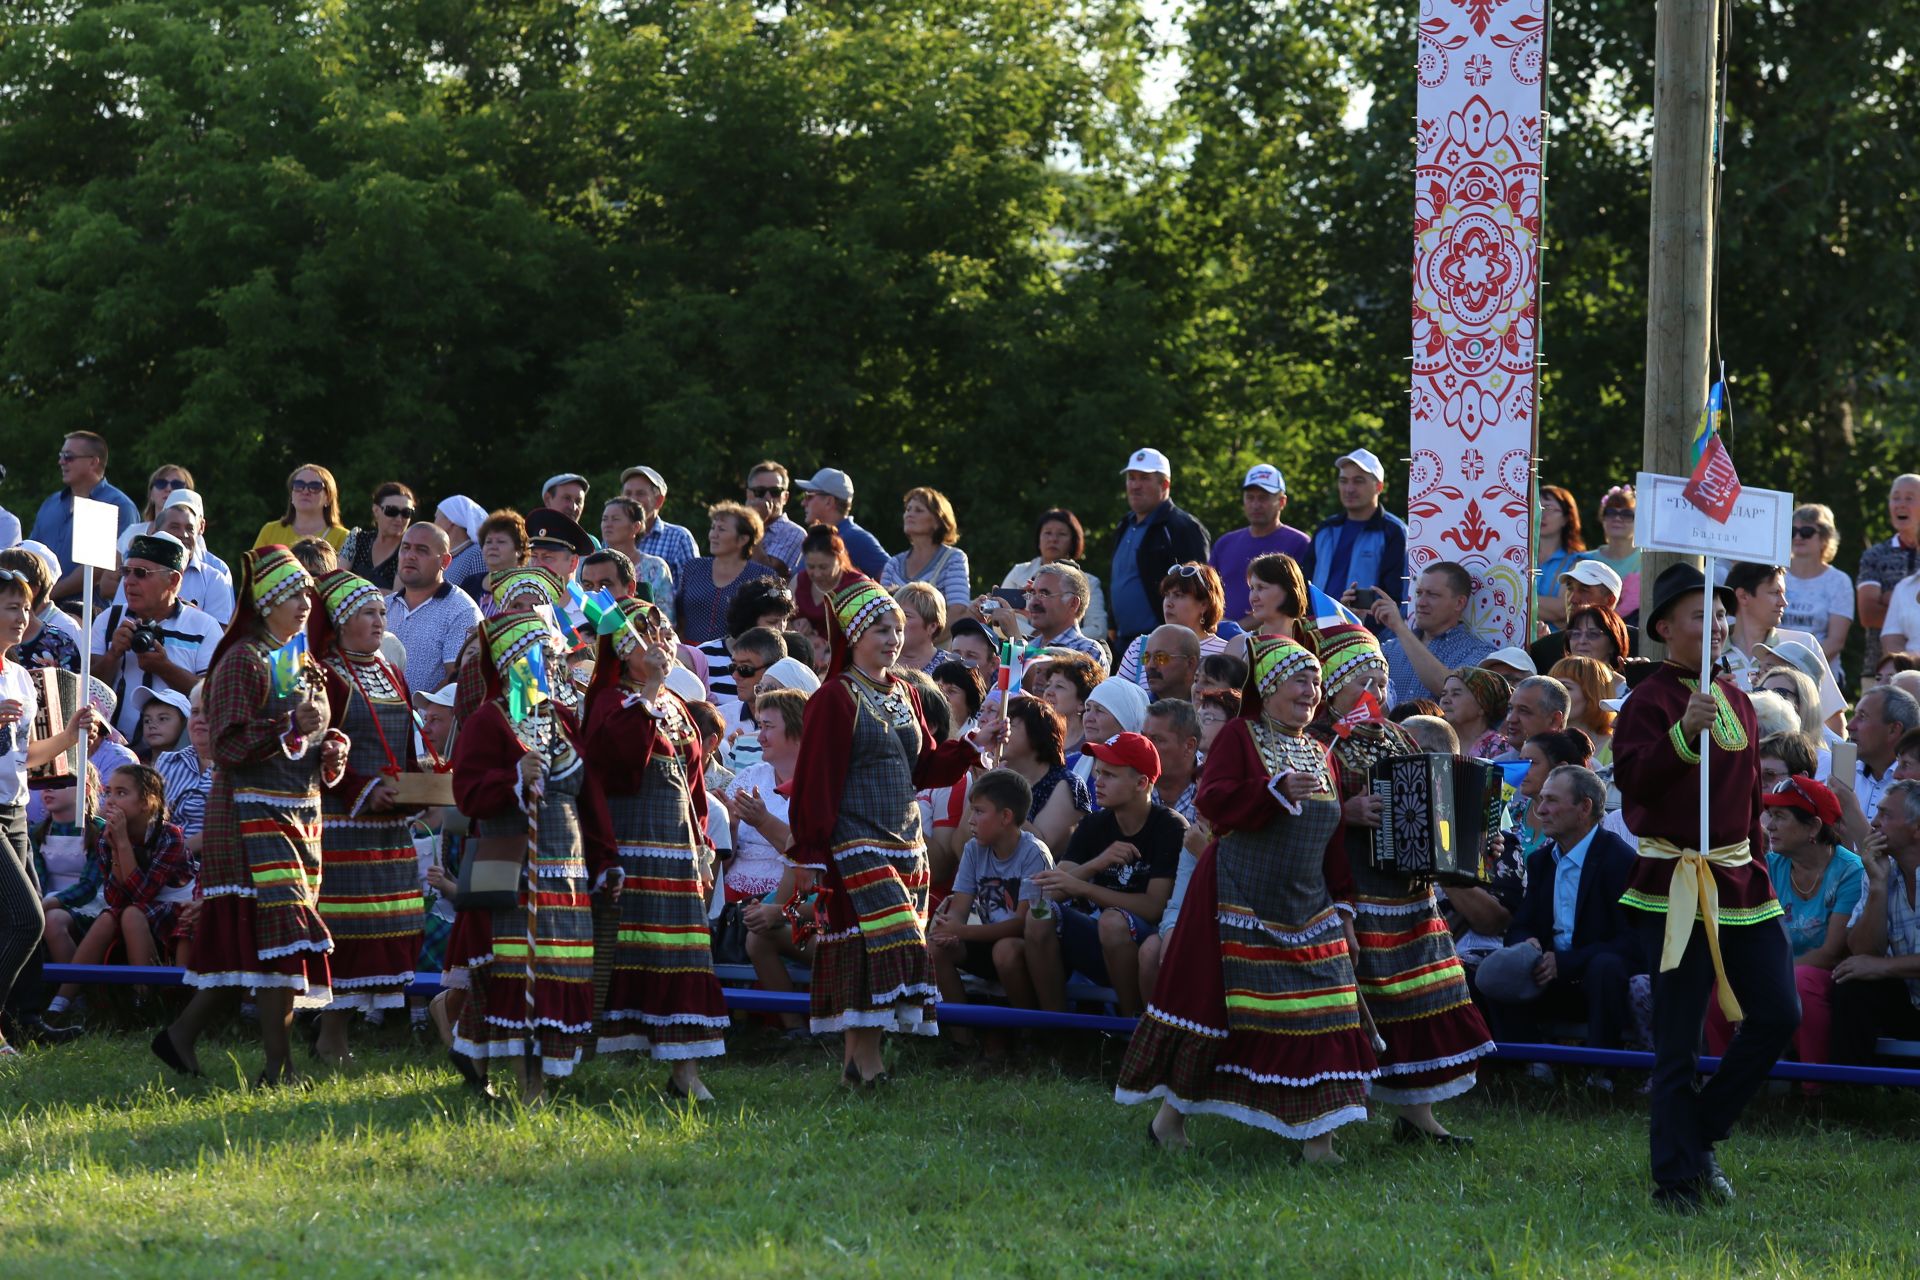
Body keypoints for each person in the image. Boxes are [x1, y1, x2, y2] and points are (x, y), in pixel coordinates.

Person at [1115, 638, 1379, 1160]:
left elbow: (1328, 839)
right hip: (1237, 896)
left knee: (1325, 1010)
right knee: (1219, 1013)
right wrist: (1271, 789)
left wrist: (1345, 908)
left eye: (1316, 682)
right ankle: (1169, 1123)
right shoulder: (1241, 735)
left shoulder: (1319, 748)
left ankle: (1317, 1140)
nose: (1312, 691)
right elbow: (1212, 800)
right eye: (1299, 680)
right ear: (1272, 686)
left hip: (1308, 905)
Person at [1613, 563, 1798, 1212]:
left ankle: (1698, 1131)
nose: (1715, 623)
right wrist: (1681, 732)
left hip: (1742, 880)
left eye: (1720, 614)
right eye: (1699, 615)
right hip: (1674, 886)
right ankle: (1677, 1180)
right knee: (1679, 1040)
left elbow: (1747, 796)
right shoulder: (1648, 702)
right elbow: (1635, 784)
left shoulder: (1737, 698)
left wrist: (1760, 861)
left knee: (1779, 1013)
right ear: (1664, 628)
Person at [783, 580, 1002, 1084]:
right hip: (854, 841)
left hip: (906, 843)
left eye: (899, 630)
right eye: (882, 629)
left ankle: (855, 1068)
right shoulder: (835, 697)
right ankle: (871, 1065)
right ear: (855, 632)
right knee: (893, 942)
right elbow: (815, 781)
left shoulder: (903, 691)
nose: (893, 639)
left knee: (871, 952)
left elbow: (923, 766)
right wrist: (812, 853)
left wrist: (973, 744)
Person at [153, 546, 346, 1085]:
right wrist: (287, 726)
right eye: (292, 594)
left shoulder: (305, 659)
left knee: (251, 948)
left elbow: (308, 739)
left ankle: (179, 1038)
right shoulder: (242, 659)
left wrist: (328, 750)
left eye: (308, 592)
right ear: (265, 602)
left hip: (299, 816)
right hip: (246, 818)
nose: (305, 602)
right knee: (275, 939)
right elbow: (228, 745)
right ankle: (277, 1067)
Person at [1308, 624, 1490, 1138]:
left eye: (1380, 677)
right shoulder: (1316, 743)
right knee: (1348, 1006)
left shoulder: (1399, 734)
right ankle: (1325, 1120)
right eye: (1362, 676)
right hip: (1348, 894)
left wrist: (1474, 840)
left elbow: (1440, 807)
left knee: (1418, 1002)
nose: (1375, 687)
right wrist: (1344, 811)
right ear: (1332, 683)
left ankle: (1418, 1115)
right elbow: (1292, 817)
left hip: (1410, 896)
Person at [445, 610, 619, 1103]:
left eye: (551, 653)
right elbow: (468, 795)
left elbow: (590, 797)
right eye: (539, 655)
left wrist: (606, 859)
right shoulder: (489, 720)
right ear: (513, 660)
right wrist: (513, 777)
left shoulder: (561, 718)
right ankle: (529, 1086)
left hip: (566, 869)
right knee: (521, 971)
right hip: (516, 863)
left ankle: (475, 1048)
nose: (550, 662)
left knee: (557, 969)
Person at [582, 596, 729, 1098]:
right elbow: (620, 769)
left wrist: (704, 847)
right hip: (632, 851)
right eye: (651, 635)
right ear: (625, 650)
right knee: (628, 958)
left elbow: (694, 784)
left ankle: (685, 1070)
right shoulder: (608, 701)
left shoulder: (678, 706)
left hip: (679, 853)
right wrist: (646, 691)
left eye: (666, 632)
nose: (665, 642)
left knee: (685, 956)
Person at [308, 569, 427, 1065]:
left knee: (387, 925)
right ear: (338, 621)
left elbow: (405, 744)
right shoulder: (326, 675)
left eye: (382, 612)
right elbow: (316, 749)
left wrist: (422, 785)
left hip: (389, 821)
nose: (379, 620)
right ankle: (329, 1036)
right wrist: (363, 789)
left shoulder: (389, 670)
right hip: (344, 820)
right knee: (348, 928)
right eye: (367, 613)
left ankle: (344, 1033)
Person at [1702, 776, 1861, 1087]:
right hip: (1774, 971)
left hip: (1825, 975)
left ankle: (1814, 1092)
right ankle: (1724, 1086)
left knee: (1800, 984)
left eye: (1780, 817)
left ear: (1814, 827)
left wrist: (1768, 978)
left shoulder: (1849, 870)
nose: (1769, 826)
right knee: (1719, 986)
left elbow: (1830, 953)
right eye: (1769, 816)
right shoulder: (1769, 865)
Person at [1478, 765, 1640, 1064]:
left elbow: (1633, 943)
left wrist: (1566, 962)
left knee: (1606, 967)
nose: (1540, 810)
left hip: (1597, 977)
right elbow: (1521, 924)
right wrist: (1529, 944)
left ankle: (1600, 1073)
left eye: (1551, 800)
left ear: (1585, 807)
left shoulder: (1620, 860)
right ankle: (1529, 1066)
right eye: (1541, 800)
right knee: (1496, 969)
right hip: (1550, 975)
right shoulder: (1542, 861)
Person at [1, 573, 100, 1054]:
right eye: (8, 607)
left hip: (15, 809)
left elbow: (27, 756)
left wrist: (71, 734)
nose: (20, 617)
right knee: (25, 920)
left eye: (23, 606)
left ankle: (22, 1023)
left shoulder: (19, 675)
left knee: (22, 924)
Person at [1016, 732, 1180, 1018]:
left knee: (1113, 921)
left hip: (1150, 946)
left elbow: (1154, 908)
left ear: (1142, 783)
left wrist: (1084, 888)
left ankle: (1130, 1028)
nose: (1098, 782)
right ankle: (1054, 1026)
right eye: (1098, 772)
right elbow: (1052, 889)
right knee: (1039, 915)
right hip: (1100, 937)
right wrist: (1095, 865)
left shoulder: (1170, 827)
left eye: (1110, 775)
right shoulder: (1094, 824)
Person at [41, 763, 195, 1021]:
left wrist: (122, 844)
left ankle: (145, 1001)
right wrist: (116, 848)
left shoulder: (169, 835)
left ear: (148, 802)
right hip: (136, 908)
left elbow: (142, 894)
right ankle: (64, 1002)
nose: (111, 800)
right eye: (109, 792)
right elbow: (115, 898)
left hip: (177, 909)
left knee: (132, 914)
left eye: (122, 793)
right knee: (109, 917)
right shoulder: (106, 836)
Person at [928, 769, 1055, 1045]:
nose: (970, 821)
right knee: (937, 946)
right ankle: (963, 1038)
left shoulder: (1034, 853)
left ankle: (1028, 1034)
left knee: (1005, 951)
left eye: (978, 812)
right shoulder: (974, 849)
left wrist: (961, 931)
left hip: (1029, 949)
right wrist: (949, 931)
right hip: (987, 940)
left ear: (1006, 817)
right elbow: (960, 907)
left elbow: (1022, 924)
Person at [89, 532, 224, 743]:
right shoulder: (109, 619)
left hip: (178, 757)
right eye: (126, 571)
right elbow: (86, 690)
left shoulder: (204, 627)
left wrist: (165, 668)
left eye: (141, 573)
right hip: (113, 750)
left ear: (173, 579)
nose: (129, 582)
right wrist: (113, 655)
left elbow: (214, 695)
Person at [1832, 779, 1920, 1062]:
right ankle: (1851, 1093)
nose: (1873, 822)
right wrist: (1878, 886)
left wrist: (1884, 967)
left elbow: (1875, 962)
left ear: (1917, 828)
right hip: (1908, 1002)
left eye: (1886, 815)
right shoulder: (1881, 867)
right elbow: (1862, 951)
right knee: (1854, 983)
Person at [1110, 448, 1212, 651]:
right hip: (1124, 643)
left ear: (1165, 484)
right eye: (1131, 478)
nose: (1135, 486)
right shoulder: (1125, 524)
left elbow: (1199, 589)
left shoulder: (1183, 527)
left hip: (1166, 644)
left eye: (1144, 478)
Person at [30, 431, 142, 602]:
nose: (61, 462)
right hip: (40, 612)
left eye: (68, 457)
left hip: (88, 615)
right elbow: (31, 553)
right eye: (61, 456)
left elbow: (99, 569)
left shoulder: (118, 505)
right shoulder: (51, 503)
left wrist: (47, 594)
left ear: (93, 462)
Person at [1305, 448, 1409, 624]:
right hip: (1316, 633)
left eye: (1358, 481)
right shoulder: (1325, 529)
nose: (1349, 489)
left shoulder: (1394, 532)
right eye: (1343, 481)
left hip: (1368, 640)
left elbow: (1399, 598)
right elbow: (1304, 585)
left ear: (1379, 486)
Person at [1371, 562, 1493, 705]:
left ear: (1459, 603)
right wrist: (1353, 621)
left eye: (1432, 595)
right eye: (1419, 593)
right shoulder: (1391, 648)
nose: (1421, 602)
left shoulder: (1479, 653)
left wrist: (1400, 628)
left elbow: (1450, 690)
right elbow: (1356, 682)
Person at [386, 522, 484, 695]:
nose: (410, 556)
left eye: (422, 550)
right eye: (405, 548)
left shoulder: (462, 611)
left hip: (426, 719)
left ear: (445, 562)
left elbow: (457, 677)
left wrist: (414, 711)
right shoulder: (383, 606)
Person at [1210, 465, 1312, 626]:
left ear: (1282, 501)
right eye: (1250, 497)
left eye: (1263, 498)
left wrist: (1236, 629)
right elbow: (1208, 595)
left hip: (1274, 643)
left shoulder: (1300, 544)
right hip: (1222, 643)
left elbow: (1301, 601)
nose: (1256, 504)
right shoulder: (1225, 543)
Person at [674, 502, 777, 646]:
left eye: (721, 530)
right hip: (691, 655)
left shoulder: (762, 576)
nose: (713, 535)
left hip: (738, 657)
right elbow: (679, 616)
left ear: (743, 539)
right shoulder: (693, 567)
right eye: (712, 528)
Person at [999, 509, 1109, 641]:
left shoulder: (1089, 582)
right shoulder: (1018, 572)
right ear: (1038, 539)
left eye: (1061, 534)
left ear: (1073, 542)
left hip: (1071, 656)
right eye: (1047, 533)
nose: (1053, 539)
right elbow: (999, 619)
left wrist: (1056, 639)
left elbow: (1099, 630)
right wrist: (1035, 635)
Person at [1000, 694, 1090, 854]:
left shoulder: (1066, 784)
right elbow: (960, 845)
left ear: (1037, 735)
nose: (1001, 731)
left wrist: (1000, 793)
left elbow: (1040, 850)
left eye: (1010, 724)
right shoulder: (998, 775)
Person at [1117, 564, 1233, 685]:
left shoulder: (1226, 652)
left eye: (1178, 595)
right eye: (1167, 595)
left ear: (1204, 605)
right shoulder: (1139, 646)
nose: (1168, 603)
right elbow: (1117, 698)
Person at [1780, 504, 1853, 684]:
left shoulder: (1839, 581)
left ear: (1824, 539)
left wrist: (1797, 667)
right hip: (1773, 670)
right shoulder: (1775, 574)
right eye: (1792, 531)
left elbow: (1836, 641)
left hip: (1821, 677)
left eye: (1806, 531)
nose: (1797, 537)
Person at [1856, 474, 1920, 677]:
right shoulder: (1875, 555)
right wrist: (1902, 599)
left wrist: (1887, 598)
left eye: (1909, 498)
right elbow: (1868, 615)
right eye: (1896, 497)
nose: (1901, 504)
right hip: (1882, 671)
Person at [147, 491, 236, 624]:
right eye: (174, 526)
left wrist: (190, 616)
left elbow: (220, 634)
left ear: (200, 527)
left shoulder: (216, 576)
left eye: (190, 528)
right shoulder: (138, 569)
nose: (183, 534)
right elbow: (123, 614)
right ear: (157, 529)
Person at [881, 487, 972, 610]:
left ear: (938, 521)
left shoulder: (953, 559)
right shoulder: (893, 565)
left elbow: (957, 611)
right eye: (908, 509)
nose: (909, 514)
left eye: (919, 510)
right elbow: (882, 610)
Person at [1006, 561, 1106, 666]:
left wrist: (1016, 639)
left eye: (1044, 594)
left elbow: (1040, 680)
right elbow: (996, 682)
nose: (1033, 602)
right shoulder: (1030, 646)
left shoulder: (1088, 650)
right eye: (1033, 593)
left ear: (1073, 603)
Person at [1843, 686, 1920, 823]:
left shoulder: (1912, 781)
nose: (1850, 726)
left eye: (1862, 717)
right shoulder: (1842, 775)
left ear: (1893, 730)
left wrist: (1850, 809)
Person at [793, 468, 888, 579]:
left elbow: (893, 580)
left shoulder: (857, 538)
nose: (803, 502)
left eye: (809, 496)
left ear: (829, 501)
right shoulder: (818, 537)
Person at [0, 546, 82, 672]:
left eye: (25, 609)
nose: (22, 618)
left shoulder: (62, 638)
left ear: (33, 590)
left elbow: (77, 688)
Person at [156, 681, 214, 854]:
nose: (200, 720)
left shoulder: (240, 768)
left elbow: (228, 828)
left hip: (209, 866)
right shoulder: (168, 761)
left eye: (209, 712)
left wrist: (174, 855)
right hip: (161, 864)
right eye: (195, 712)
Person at [622, 466, 702, 580]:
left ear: (659, 500)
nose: (632, 499)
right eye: (628, 493)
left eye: (640, 493)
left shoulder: (679, 538)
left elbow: (694, 588)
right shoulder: (612, 537)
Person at [790, 524, 867, 640]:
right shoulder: (798, 581)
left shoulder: (859, 586)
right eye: (811, 567)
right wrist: (794, 625)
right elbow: (780, 619)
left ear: (840, 561)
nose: (817, 574)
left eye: (823, 567)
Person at [253, 463, 350, 553]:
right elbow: (253, 569)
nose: (305, 491)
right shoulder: (270, 531)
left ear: (328, 498)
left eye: (315, 486)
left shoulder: (344, 538)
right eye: (299, 485)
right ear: (292, 494)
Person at [339, 482, 415, 591]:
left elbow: (396, 597)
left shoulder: (410, 550)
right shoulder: (357, 538)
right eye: (391, 511)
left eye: (406, 512)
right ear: (376, 510)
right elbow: (337, 580)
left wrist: (354, 586)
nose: (399, 518)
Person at [598, 498, 675, 606]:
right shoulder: (589, 565)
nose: (607, 524)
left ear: (636, 527)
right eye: (604, 519)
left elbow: (666, 616)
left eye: (615, 519)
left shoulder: (656, 567)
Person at [1534, 484, 1590, 628]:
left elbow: (1563, 608)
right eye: (1537, 507)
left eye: (1549, 508)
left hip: (1556, 646)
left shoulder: (1579, 562)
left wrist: (1516, 600)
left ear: (1566, 518)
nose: (1542, 513)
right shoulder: (1517, 557)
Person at [114, 463, 196, 560]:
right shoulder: (132, 531)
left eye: (177, 485)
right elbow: (110, 575)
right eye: (161, 483)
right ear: (151, 494)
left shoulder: (194, 538)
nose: (168, 488)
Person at [1551, 656, 1618, 775]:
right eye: (1552, 687)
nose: (1554, 694)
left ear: (1593, 694)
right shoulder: (1542, 743)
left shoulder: (1615, 747)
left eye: (1566, 687)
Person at [1585, 485, 1642, 620]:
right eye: (1610, 512)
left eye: (1626, 514)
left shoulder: (1650, 561)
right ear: (1602, 518)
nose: (1617, 518)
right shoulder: (1584, 561)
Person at [1236, 553, 1312, 649]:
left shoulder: (1314, 644)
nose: (1253, 597)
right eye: (1252, 588)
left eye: (1261, 587)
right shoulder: (1238, 645)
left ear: (1288, 590)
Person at [741, 461, 805, 575]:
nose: (767, 497)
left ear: (785, 497)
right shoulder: (736, 526)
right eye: (759, 492)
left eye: (775, 492)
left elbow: (768, 574)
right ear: (748, 494)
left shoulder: (794, 533)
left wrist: (755, 524)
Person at [1439, 666, 1510, 760]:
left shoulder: (1500, 748)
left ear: (1482, 705)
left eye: (1455, 694)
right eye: (1443, 694)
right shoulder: (1437, 743)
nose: (1445, 700)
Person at [464, 509, 529, 607]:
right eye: (488, 542)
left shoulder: (529, 588)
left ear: (519, 550)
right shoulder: (470, 584)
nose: (492, 547)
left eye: (501, 541)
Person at [892, 582, 956, 675]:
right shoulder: (877, 660)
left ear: (932, 627)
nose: (897, 620)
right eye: (895, 613)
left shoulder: (950, 668)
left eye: (906, 616)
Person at [1041, 653, 1099, 755]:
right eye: (1048, 685)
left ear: (1082, 702)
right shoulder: (1037, 732)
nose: (1048, 691)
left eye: (1059, 686)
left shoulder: (1093, 743)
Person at [1501, 675, 1570, 759]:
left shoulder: (1579, 770)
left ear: (1554, 720)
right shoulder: (1496, 767)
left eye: (1523, 710)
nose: (1510, 719)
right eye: (1510, 708)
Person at [1130, 625, 1199, 704]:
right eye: (1146, 658)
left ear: (1190, 664)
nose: (1150, 665)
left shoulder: (1210, 708)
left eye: (1160, 657)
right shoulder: (1138, 710)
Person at [434, 495, 489, 590]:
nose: (433, 523)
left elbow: (478, 596)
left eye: (436, 517)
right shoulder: (446, 556)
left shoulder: (476, 554)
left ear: (451, 520)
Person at [130, 685, 190, 763]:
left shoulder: (194, 767)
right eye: (147, 720)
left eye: (162, 719)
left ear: (184, 723)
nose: (152, 725)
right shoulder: (133, 761)